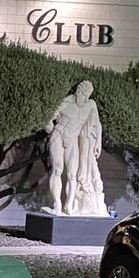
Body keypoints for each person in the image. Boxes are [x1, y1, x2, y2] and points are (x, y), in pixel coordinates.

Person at [43, 80, 97, 215]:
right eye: (83, 93)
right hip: (58, 135)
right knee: (58, 170)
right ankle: (57, 204)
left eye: (87, 95)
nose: (84, 97)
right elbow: (49, 118)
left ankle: (70, 205)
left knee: (72, 175)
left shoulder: (90, 106)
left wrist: (98, 142)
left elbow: (97, 125)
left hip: (73, 139)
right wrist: (48, 126)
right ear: (78, 91)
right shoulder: (67, 102)